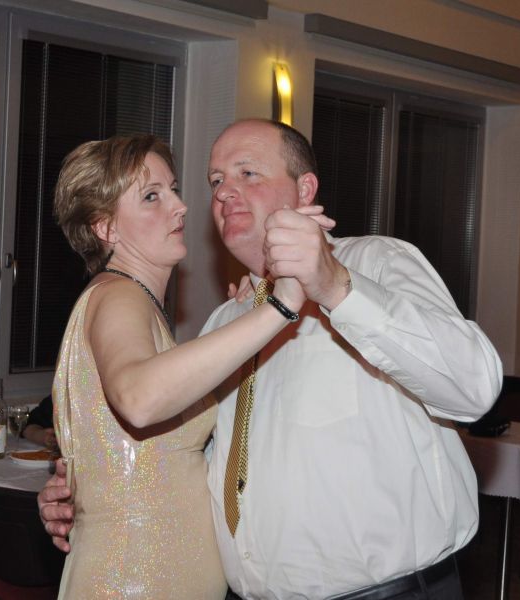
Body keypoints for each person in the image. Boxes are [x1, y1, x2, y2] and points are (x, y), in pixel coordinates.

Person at [40, 119, 502, 600]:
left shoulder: (375, 264)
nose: (223, 193)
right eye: (216, 181)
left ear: (304, 190)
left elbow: (475, 388)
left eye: (248, 174)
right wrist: (95, 488)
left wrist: (335, 286)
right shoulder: (227, 321)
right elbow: (211, 455)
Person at [47, 133, 332, 600]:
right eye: (152, 196)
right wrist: (279, 306)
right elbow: (139, 399)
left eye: (174, 189)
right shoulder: (117, 297)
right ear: (106, 228)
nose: (180, 207)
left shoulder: (134, 304)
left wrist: (249, 305)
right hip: (134, 581)